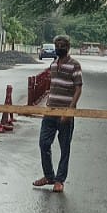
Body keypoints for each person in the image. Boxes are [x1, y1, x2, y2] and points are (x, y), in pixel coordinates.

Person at [34, 35, 82, 192]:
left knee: (64, 148)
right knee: (44, 143)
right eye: (57, 45)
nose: (59, 48)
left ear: (68, 47)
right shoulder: (53, 64)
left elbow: (78, 88)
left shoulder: (75, 65)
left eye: (62, 45)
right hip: (50, 111)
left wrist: (69, 111)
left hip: (65, 113)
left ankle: (60, 180)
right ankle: (49, 176)